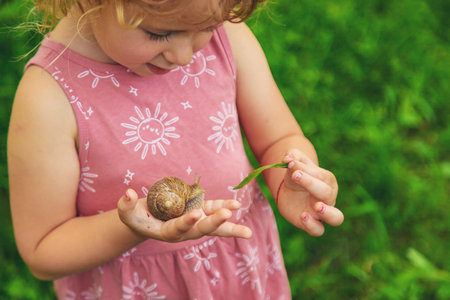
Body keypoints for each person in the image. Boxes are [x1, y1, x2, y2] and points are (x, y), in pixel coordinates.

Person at [8, 0, 344, 298]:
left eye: (206, 27)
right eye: (158, 34)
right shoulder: (49, 98)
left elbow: (277, 139)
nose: (184, 56)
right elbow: (43, 250)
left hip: (237, 273)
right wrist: (132, 227)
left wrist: (294, 176)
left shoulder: (226, 38)